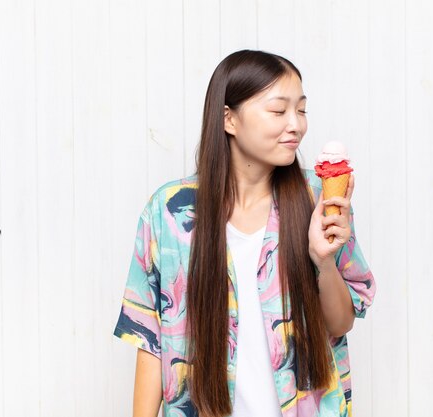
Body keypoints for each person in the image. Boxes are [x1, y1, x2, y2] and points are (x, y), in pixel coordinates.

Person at [113, 49, 376, 417]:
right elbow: (149, 337)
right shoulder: (169, 212)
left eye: (301, 110)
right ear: (229, 120)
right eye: (278, 110)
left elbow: (341, 322)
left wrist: (324, 261)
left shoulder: (317, 200)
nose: (296, 125)